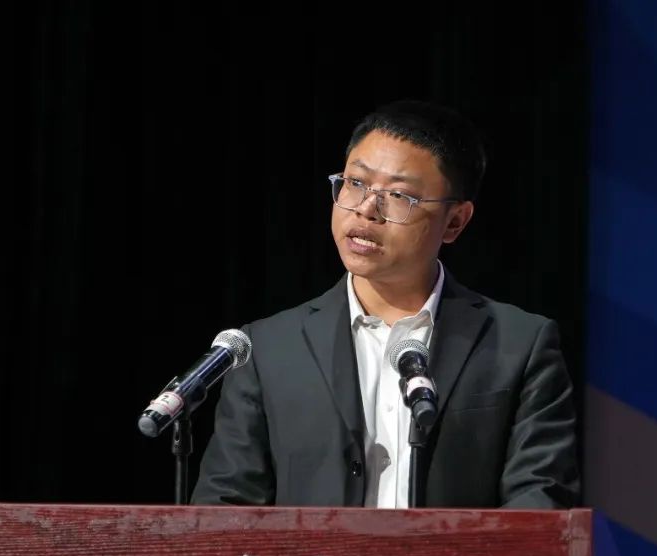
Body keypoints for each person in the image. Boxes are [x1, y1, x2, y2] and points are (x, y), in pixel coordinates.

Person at [190, 99, 579, 510]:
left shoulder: (520, 345)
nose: (366, 210)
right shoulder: (267, 349)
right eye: (355, 183)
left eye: (398, 195)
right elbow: (225, 510)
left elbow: (539, 504)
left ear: (454, 222)